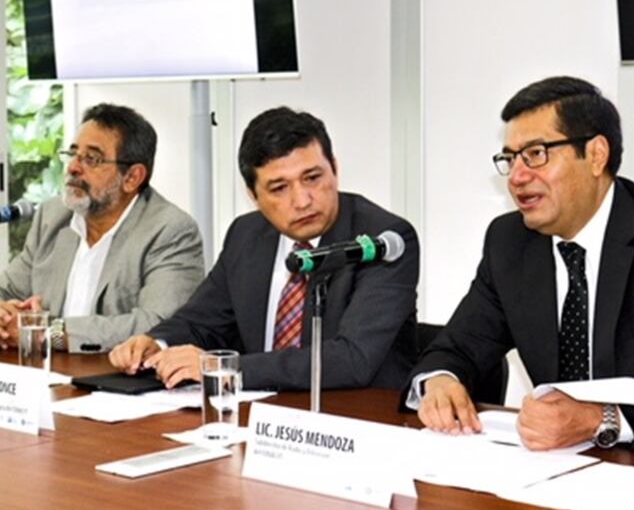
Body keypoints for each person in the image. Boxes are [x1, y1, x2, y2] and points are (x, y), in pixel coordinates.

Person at [409, 76, 634, 451]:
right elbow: (456, 348)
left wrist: (601, 418)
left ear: (596, 155)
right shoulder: (510, 242)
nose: (516, 176)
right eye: (510, 158)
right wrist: (440, 381)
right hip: (552, 472)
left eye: (536, 153)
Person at [109, 107, 420, 391]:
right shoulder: (247, 234)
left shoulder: (383, 240)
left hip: (356, 417)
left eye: (312, 178)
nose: (301, 200)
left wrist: (224, 368)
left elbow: (352, 359)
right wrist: (156, 343)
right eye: (279, 188)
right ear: (253, 194)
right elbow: (202, 320)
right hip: (261, 418)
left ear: (334, 170)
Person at [0, 103, 204, 353]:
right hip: (48, 375)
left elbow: (158, 323)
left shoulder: (169, 230)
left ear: (132, 178)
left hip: (118, 382)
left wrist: (49, 334)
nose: (73, 167)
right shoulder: (53, 217)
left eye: (92, 159)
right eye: (72, 154)